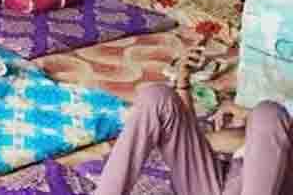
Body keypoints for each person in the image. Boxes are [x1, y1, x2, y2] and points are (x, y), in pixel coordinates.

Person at [94, 45, 292, 195]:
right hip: (214, 181)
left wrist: (246, 116)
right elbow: (196, 142)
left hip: (268, 179)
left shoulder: (269, 119)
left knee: (269, 113)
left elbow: (223, 140)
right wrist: (183, 84)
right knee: (157, 96)